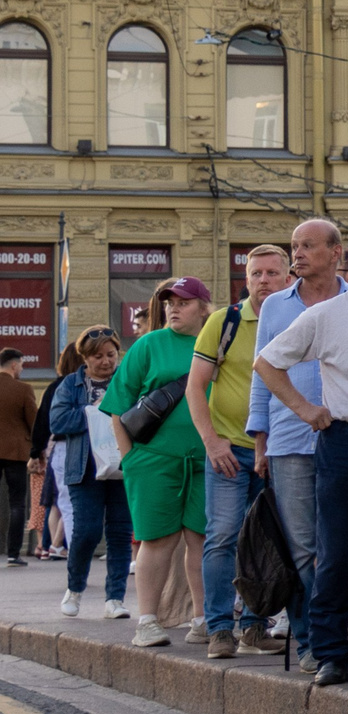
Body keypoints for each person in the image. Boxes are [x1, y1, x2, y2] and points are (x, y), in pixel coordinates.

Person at [254, 228, 348, 686]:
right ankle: (330, 655)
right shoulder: (326, 314)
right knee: (336, 554)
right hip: (342, 441)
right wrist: (304, 408)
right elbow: (266, 362)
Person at [246, 220, 348, 671]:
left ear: (335, 252)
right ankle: (311, 641)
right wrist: (260, 441)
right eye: (294, 246)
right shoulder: (275, 307)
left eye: (308, 246)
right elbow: (261, 374)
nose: (298, 254)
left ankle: (341, 634)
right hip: (289, 440)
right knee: (303, 546)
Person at [185, 245, 291, 658]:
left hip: (277, 451)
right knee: (223, 537)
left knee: (265, 541)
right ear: (245, 279)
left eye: (271, 273)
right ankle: (219, 630)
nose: (263, 280)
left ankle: (253, 625)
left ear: (287, 278)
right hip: (229, 453)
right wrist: (212, 441)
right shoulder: (223, 321)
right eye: (255, 274)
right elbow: (196, 387)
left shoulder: (295, 317)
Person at [103, 276, 215, 649]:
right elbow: (118, 404)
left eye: (183, 302)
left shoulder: (215, 343)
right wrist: (129, 458)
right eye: (169, 302)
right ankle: (147, 622)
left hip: (208, 457)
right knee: (157, 539)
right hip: (153, 460)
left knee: (202, 539)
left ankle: (203, 619)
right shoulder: (150, 344)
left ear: (203, 306)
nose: (173, 308)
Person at [50, 328, 129, 618]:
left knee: (120, 533)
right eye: (98, 356)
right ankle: (75, 588)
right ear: (85, 357)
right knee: (87, 531)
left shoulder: (126, 378)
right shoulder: (71, 385)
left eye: (111, 354)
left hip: (122, 466)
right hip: (84, 470)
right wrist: (91, 411)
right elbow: (57, 421)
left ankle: (115, 599)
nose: (106, 362)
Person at [0, 346, 37, 567]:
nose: (22, 369)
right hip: (16, 452)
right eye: (22, 365)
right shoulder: (23, 389)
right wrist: (37, 451)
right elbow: (33, 423)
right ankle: (13, 554)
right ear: (14, 365)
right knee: (17, 503)